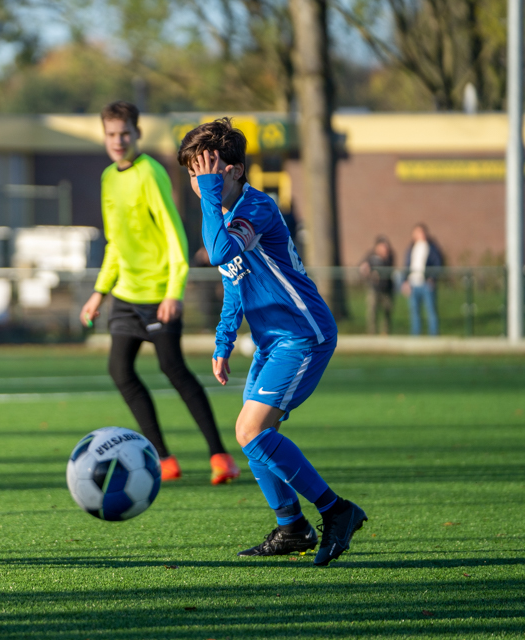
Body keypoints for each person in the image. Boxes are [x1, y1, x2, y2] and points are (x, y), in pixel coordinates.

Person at [180, 118, 367, 566]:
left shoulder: (256, 208)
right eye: (193, 172)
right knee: (253, 434)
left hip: (304, 335)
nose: (200, 179)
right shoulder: (223, 215)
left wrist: (208, 194)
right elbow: (233, 281)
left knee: (251, 431)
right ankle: (292, 528)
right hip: (271, 342)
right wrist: (224, 342)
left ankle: (337, 511)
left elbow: (222, 252)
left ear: (237, 170)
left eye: (211, 168)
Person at [79, 101, 238, 485]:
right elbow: (114, 243)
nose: (118, 141)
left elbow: (173, 234)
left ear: (137, 134)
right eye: (111, 134)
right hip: (125, 294)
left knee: (174, 369)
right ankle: (163, 458)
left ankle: (220, 455)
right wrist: (99, 293)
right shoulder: (107, 178)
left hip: (158, 293)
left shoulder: (151, 173)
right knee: (119, 370)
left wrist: (173, 292)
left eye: (124, 133)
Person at [402, 223, 443, 336]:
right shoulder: (411, 248)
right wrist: (406, 281)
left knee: (431, 311)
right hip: (413, 284)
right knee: (414, 311)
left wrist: (432, 278)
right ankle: (416, 335)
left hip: (426, 284)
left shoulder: (432, 248)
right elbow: (407, 265)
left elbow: (437, 264)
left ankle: (433, 335)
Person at [358, 236, 395, 335]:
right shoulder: (370, 256)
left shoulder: (390, 257)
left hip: (387, 289)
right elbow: (362, 267)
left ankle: (385, 333)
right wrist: (368, 272)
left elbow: (390, 270)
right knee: (372, 311)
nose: (385, 250)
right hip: (374, 288)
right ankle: (372, 333)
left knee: (387, 311)